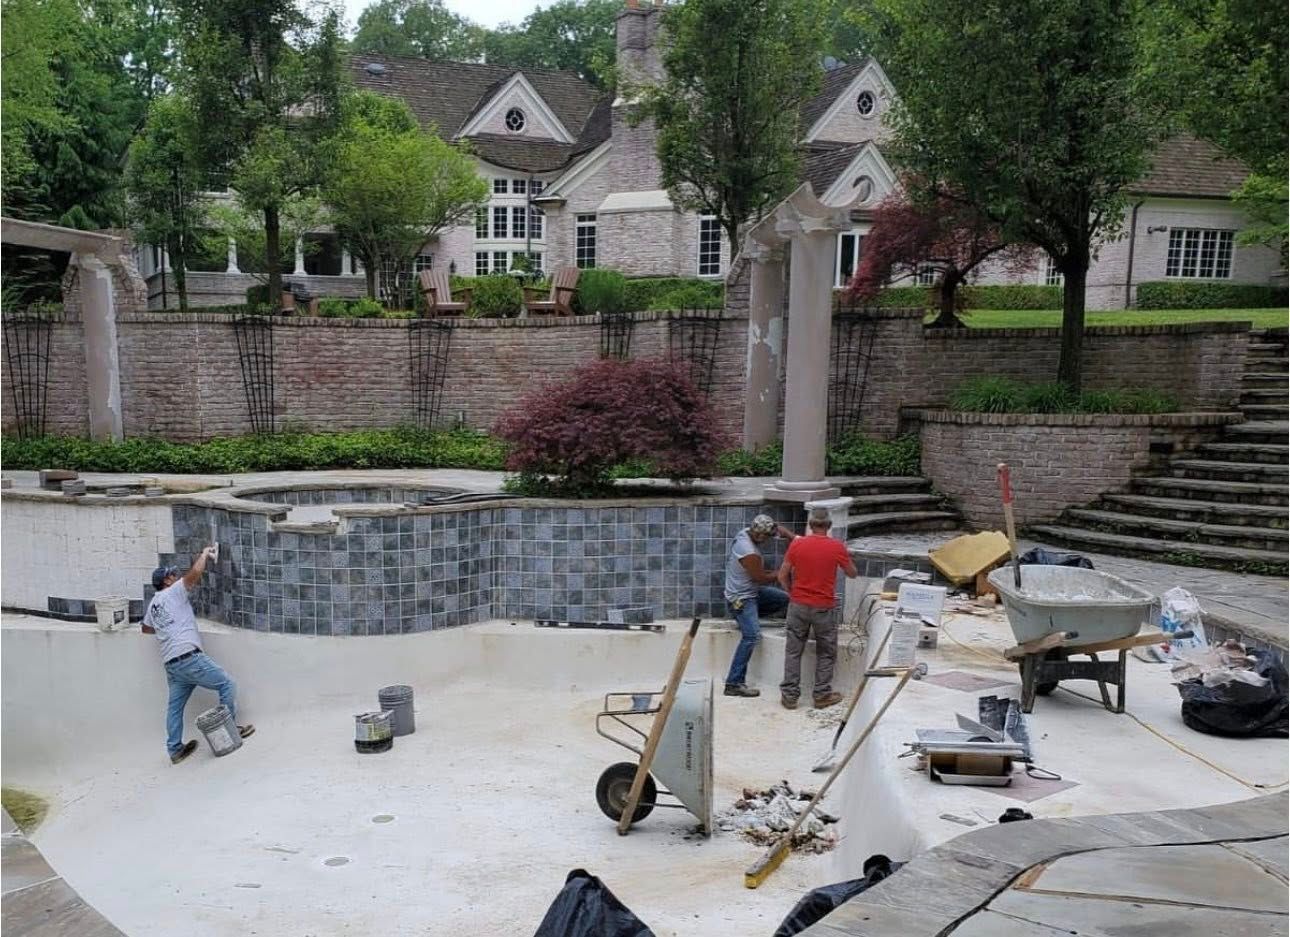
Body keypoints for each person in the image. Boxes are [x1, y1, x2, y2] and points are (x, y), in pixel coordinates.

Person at [144, 547, 254, 764]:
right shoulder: (173, 592)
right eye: (172, 575)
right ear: (167, 581)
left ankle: (175, 749)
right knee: (227, 684)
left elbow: (146, 629)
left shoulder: (153, 605)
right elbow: (193, 575)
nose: (176, 577)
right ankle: (230, 730)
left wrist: (167, 626)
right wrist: (204, 555)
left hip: (172, 665)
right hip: (188, 657)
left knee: (174, 708)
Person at [777, 507, 858, 710]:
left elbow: (781, 575)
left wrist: (792, 593)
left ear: (811, 525)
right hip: (823, 608)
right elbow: (852, 573)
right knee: (826, 652)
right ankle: (821, 695)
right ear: (829, 525)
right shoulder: (836, 547)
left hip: (798, 605)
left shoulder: (797, 545)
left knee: (793, 651)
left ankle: (789, 697)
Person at [723, 514, 796, 698]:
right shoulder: (749, 552)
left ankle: (749, 618)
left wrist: (793, 538)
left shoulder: (747, 532)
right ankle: (733, 683)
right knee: (752, 636)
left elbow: (776, 526)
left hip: (752, 593)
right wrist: (784, 572)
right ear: (761, 536)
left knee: (784, 599)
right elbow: (761, 578)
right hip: (741, 599)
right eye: (767, 538)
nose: (769, 540)